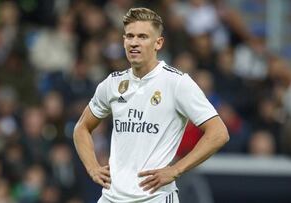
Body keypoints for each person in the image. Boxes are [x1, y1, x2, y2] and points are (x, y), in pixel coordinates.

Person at [73, 7, 229, 203]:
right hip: (112, 197)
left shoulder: (177, 83)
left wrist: (176, 170)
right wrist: (93, 167)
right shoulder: (112, 84)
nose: (134, 43)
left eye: (142, 37)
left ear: (158, 43)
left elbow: (219, 133)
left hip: (155, 197)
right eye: (129, 36)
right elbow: (81, 128)